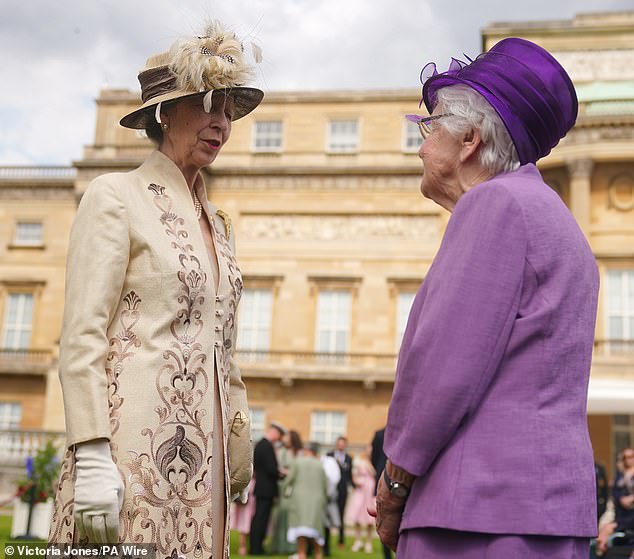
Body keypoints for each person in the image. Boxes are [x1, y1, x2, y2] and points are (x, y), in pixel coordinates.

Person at [371, 37, 599, 558]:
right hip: (542, 511)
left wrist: (396, 484)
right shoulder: (558, 222)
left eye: (429, 128)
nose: (423, 146)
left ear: (469, 140)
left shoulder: (494, 206)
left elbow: (442, 370)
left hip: (478, 512)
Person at [48, 20, 263, 559]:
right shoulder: (114, 196)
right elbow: (82, 337)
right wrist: (93, 453)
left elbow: (224, 348)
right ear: (164, 112)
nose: (220, 122)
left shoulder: (219, 222)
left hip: (204, 463)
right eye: (207, 104)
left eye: (229, 108)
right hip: (128, 453)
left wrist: (239, 445)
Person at [286, 442, 328, 559]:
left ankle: (302, 554)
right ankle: (318, 555)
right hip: (316, 501)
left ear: (307, 450)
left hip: (299, 500)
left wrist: (285, 493)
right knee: (316, 531)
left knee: (301, 531)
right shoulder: (320, 465)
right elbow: (325, 485)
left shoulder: (298, 462)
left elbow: (289, 480)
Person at [250, 421, 287, 555]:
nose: (279, 439)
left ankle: (257, 547)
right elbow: (271, 469)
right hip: (265, 489)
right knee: (261, 519)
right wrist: (281, 474)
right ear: (275, 432)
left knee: (260, 518)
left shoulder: (261, 444)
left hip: (262, 488)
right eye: (279, 435)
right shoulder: (266, 446)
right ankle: (256, 548)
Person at [596, 448, 634, 555]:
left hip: (631, 517)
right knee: (604, 530)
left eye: (631, 457)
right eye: (625, 457)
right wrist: (622, 499)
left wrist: (630, 498)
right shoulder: (620, 475)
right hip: (621, 515)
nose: (628, 460)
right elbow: (615, 492)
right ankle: (602, 549)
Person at [271, 430, 303, 555]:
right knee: (282, 515)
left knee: (295, 516)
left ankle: (294, 547)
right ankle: (280, 545)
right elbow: (278, 467)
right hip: (283, 487)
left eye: (287, 437)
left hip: (296, 488)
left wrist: (291, 473)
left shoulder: (300, 453)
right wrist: (285, 472)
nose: (285, 439)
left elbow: (300, 469)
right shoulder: (282, 452)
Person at [346, 446, 376, 553]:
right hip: (361, 490)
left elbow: (375, 474)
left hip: (370, 490)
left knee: (370, 518)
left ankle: (369, 542)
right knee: (357, 515)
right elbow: (354, 475)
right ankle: (358, 540)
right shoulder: (359, 462)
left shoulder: (374, 462)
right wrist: (357, 481)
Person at [327, 436, 353, 547]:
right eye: (339, 443)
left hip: (342, 490)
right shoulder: (329, 456)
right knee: (327, 514)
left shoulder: (348, 458)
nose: (341, 445)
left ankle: (341, 540)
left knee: (341, 514)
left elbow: (349, 476)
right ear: (336, 444)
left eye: (343, 443)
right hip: (330, 489)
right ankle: (326, 541)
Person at [370, 428, 392, 559]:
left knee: (385, 520)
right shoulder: (379, 435)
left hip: (383, 477)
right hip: (384, 479)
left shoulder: (379, 434)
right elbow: (374, 458)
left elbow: (374, 459)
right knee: (385, 519)